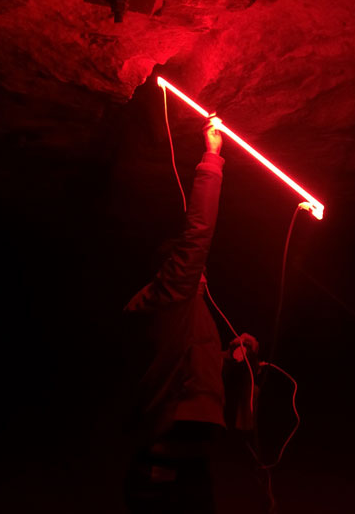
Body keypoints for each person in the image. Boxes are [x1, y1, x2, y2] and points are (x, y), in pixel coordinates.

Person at [123, 116, 259, 514]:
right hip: (160, 462)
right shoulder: (167, 297)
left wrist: (230, 359)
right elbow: (197, 235)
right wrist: (211, 157)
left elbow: (189, 368)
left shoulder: (188, 312)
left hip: (191, 463)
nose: (202, 271)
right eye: (189, 265)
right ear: (172, 268)